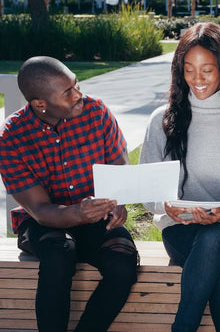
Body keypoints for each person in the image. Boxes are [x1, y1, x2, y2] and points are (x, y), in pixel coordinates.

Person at [139, 22, 220, 332]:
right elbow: (149, 193)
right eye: (189, 70)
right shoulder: (162, 120)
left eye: (207, 70)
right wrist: (166, 205)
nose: (197, 80)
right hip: (181, 228)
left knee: (215, 236)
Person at [0, 56, 138, 332]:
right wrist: (77, 211)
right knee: (60, 254)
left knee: (123, 263)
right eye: (68, 92)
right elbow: (40, 210)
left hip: (96, 219)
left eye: (76, 84)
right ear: (40, 104)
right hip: (44, 225)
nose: (79, 95)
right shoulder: (11, 137)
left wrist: (117, 203)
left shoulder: (97, 112)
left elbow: (120, 169)